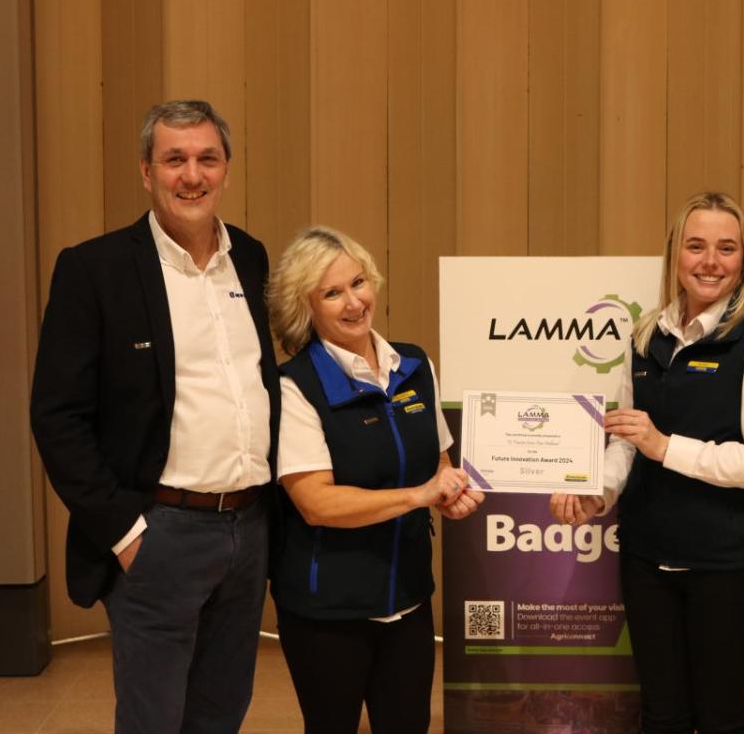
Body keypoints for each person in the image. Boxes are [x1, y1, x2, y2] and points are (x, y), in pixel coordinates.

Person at [30, 100, 280, 732]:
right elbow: (57, 416)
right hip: (159, 533)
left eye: (207, 159)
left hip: (247, 532)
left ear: (226, 169)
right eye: (174, 159)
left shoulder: (249, 259)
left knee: (221, 714)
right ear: (146, 171)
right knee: (153, 720)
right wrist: (127, 533)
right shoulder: (94, 269)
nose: (191, 175)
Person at [550, 193, 744, 734]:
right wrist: (600, 493)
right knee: (662, 715)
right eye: (696, 246)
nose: (710, 261)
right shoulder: (644, 334)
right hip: (648, 559)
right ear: (674, 256)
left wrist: (667, 446)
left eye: (727, 249)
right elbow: (626, 440)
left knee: (720, 716)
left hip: (731, 566)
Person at [265, 225, 484, 733]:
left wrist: (448, 493)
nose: (353, 302)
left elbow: (440, 462)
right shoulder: (295, 386)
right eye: (332, 293)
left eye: (358, 282)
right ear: (306, 308)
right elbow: (316, 502)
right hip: (328, 610)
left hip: (407, 596)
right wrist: (420, 495)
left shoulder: (414, 365)